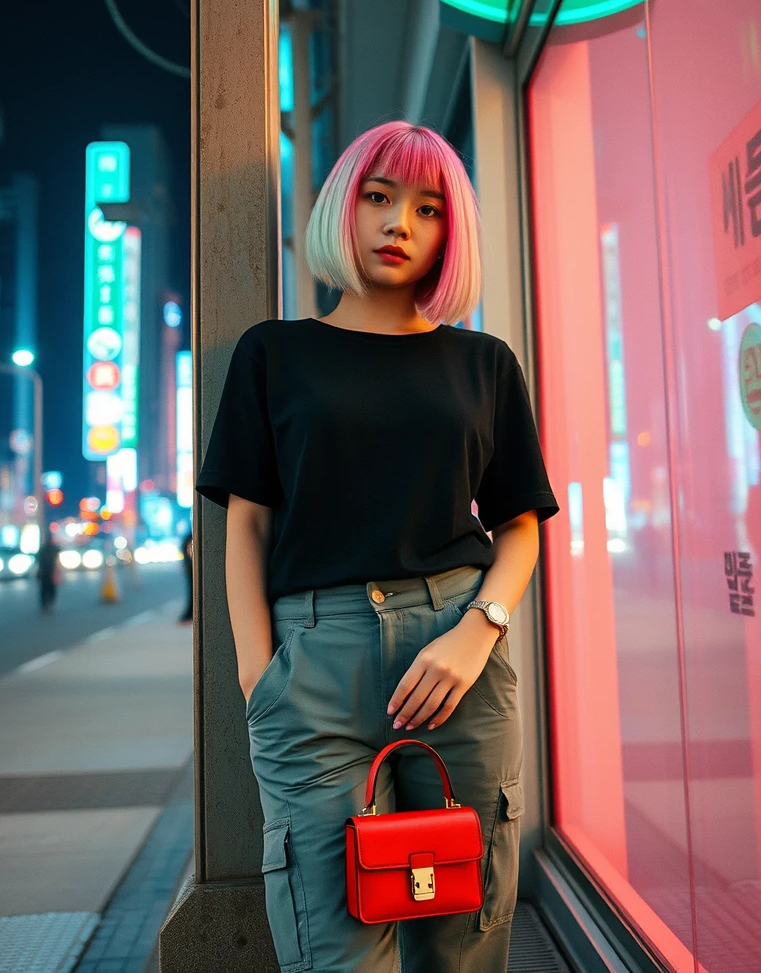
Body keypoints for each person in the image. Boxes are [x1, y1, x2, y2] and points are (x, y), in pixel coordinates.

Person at [196, 121, 559, 972]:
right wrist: (261, 677)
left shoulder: (483, 363)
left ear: (449, 233)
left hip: (458, 658)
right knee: (337, 950)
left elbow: (519, 526)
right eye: (380, 196)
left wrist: (480, 632)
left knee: (464, 939)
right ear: (344, 207)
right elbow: (243, 525)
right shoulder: (275, 354)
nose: (401, 223)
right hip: (313, 666)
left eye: (428, 209)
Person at [36, 533, 61, 614]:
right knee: (50, 590)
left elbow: (38, 561)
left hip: (45, 572)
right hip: (50, 572)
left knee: (44, 590)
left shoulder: (43, 549)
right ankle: (48, 605)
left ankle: (45, 606)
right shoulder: (54, 549)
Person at [178, 531, 193, 624]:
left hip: (190, 566)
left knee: (191, 590)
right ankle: (188, 615)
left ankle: (188, 615)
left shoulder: (189, 536)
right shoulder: (190, 536)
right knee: (192, 590)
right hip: (190, 566)